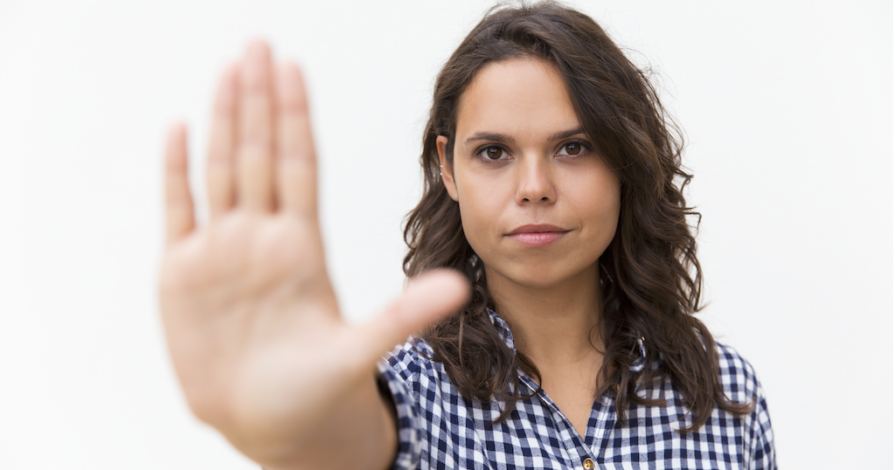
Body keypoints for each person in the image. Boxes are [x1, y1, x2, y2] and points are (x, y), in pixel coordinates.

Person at [158, 2, 776, 469]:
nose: (534, 186)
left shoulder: (723, 396)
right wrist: (299, 430)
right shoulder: (413, 391)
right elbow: (357, 437)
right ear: (448, 168)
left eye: (574, 146)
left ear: (625, 162)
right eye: (495, 152)